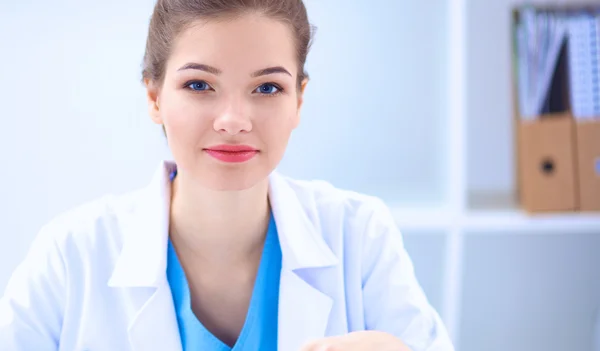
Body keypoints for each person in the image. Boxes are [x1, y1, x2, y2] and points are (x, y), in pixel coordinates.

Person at [0, 0, 454, 350]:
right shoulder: (71, 256)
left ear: (299, 99)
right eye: (199, 85)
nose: (234, 119)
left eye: (267, 87)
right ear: (154, 96)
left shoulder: (359, 235)